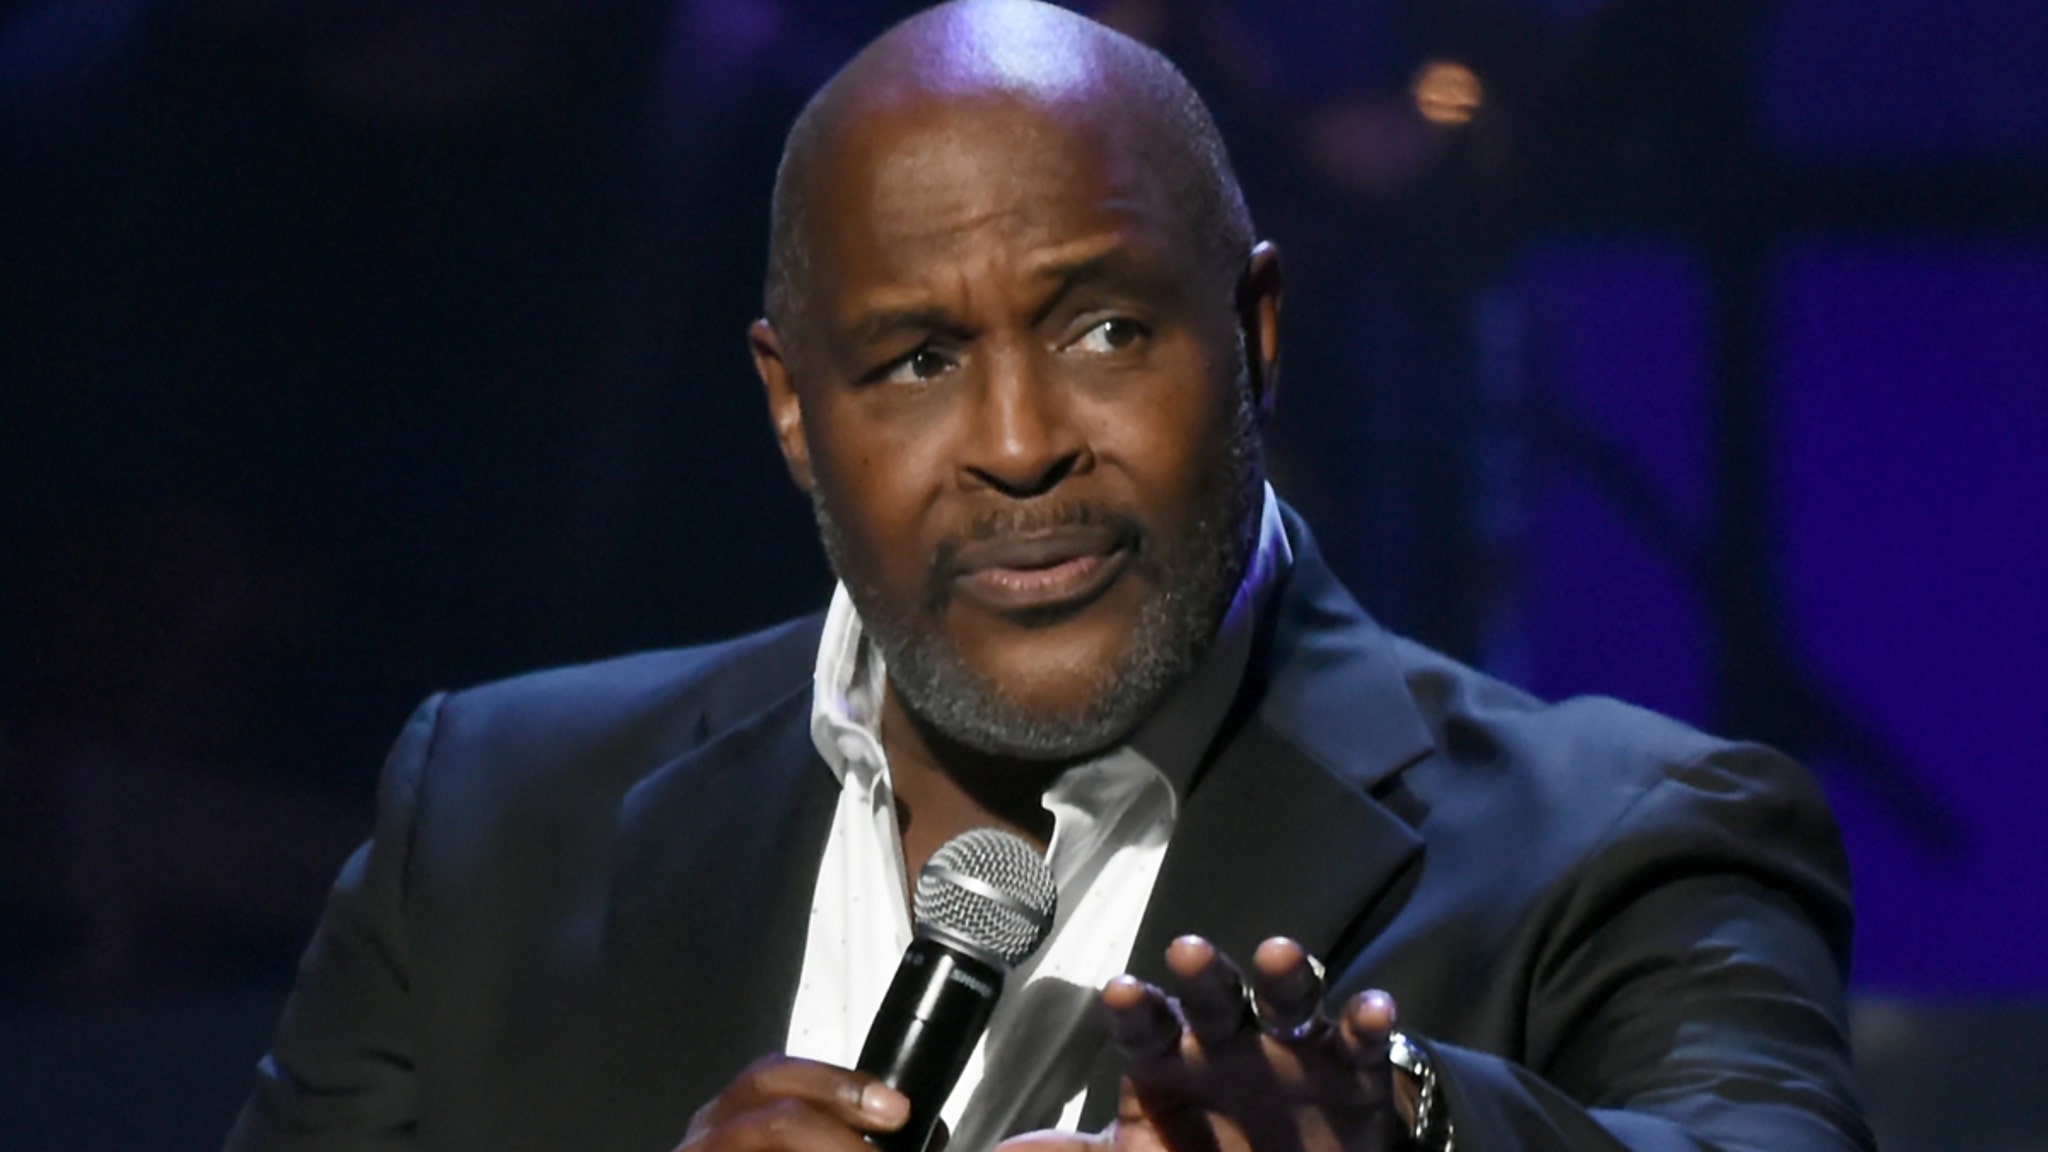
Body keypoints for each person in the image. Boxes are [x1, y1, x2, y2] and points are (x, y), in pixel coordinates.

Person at [225, 3, 1871, 1151]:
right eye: (917, 360)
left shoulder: (1624, 841)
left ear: (1255, 335)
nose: (1019, 446)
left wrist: (1407, 1133)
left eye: (1104, 332)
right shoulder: (496, 816)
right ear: (793, 409)